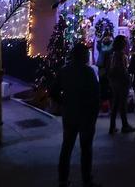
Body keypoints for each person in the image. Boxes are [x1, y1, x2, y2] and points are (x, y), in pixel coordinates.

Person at [50, 44, 101, 187]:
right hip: (86, 115)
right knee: (86, 148)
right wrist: (94, 113)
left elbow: (53, 91)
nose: (88, 56)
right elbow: (96, 95)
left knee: (67, 146)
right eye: (86, 54)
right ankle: (86, 179)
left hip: (70, 114)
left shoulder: (64, 71)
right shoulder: (88, 72)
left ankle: (63, 179)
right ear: (82, 56)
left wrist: (63, 102)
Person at [105, 35, 135, 134]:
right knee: (122, 104)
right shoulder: (120, 55)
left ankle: (112, 126)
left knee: (116, 103)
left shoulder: (113, 54)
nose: (126, 43)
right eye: (124, 42)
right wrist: (127, 79)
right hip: (121, 81)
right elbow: (122, 69)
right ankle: (125, 125)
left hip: (115, 82)